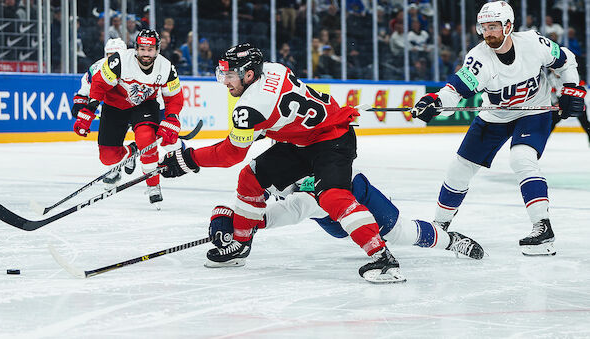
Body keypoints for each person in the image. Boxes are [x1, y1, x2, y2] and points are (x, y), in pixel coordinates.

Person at [159, 43, 404, 283]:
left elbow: (230, 154)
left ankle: (382, 258)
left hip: (333, 138)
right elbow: (274, 119)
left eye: (230, 75)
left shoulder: (249, 107)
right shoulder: (274, 68)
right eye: (223, 74)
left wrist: (186, 159)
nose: (225, 81)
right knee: (251, 178)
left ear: (249, 74)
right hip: (304, 139)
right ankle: (240, 245)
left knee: (332, 196)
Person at [410, 1, 586, 256]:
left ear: (508, 26)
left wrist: (572, 88)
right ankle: (440, 226)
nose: (488, 32)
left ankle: (542, 227)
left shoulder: (533, 43)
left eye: (493, 26)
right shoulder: (479, 58)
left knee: (522, 158)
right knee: (459, 168)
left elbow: (566, 59)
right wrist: (435, 101)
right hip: (494, 117)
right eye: (484, 27)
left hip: (533, 112)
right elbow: (456, 89)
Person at [208, 172, 485, 260]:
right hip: (328, 216)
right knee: (306, 205)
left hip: (355, 193)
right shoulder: (281, 174)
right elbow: (256, 207)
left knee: (399, 233)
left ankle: (451, 241)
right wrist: (225, 218)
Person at [73, 29, 184, 208]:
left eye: (150, 50)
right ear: (136, 48)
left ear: (157, 50)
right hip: (114, 107)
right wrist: (88, 112)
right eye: (142, 49)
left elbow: (174, 98)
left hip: (144, 106)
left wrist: (172, 119)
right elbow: (99, 85)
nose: (146, 54)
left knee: (146, 139)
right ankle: (132, 152)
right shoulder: (120, 61)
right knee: (108, 158)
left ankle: (153, 185)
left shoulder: (166, 67)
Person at [71, 38, 139, 185]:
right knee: (109, 145)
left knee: (144, 134)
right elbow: (85, 90)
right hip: (113, 109)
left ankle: (130, 160)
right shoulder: (96, 68)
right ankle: (125, 158)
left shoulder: (135, 66)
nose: (113, 58)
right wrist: (80, 104)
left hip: (134, 106)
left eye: (117, 54)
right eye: (109, 55)